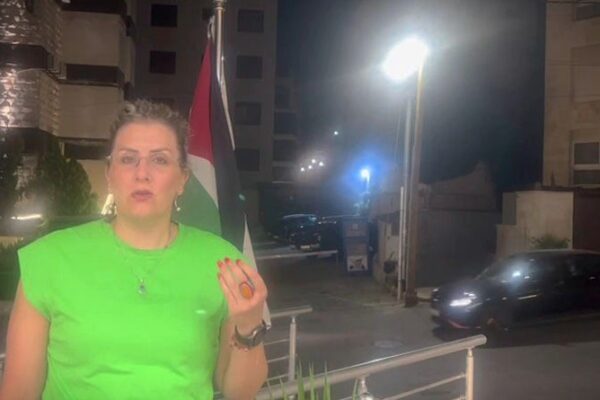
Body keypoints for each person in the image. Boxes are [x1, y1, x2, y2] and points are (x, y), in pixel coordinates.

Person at [0, 100, 269, 399]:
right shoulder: (50, 259)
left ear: (182, 179)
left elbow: (239, 392)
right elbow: (18, 392)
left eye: (160, 160)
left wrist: (249, 327)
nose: (142, 173)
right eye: (128, 159)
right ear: (110, 174)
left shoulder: (223, 263)